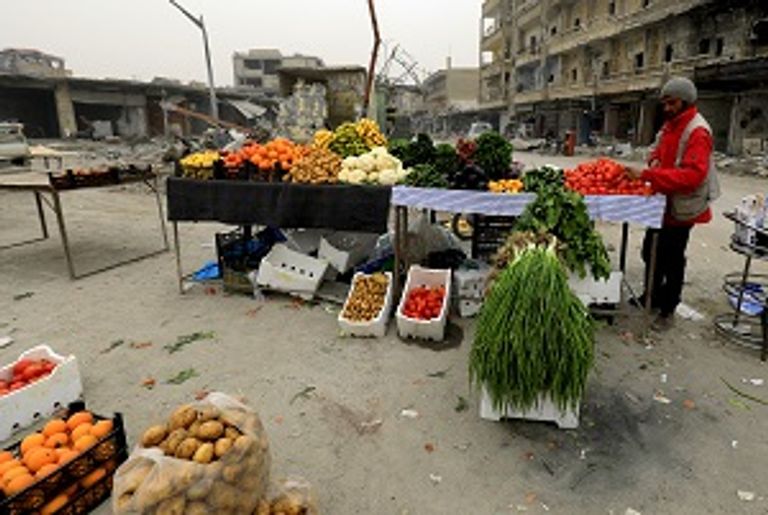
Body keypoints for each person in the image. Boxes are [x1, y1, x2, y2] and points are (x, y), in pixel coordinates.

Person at [626, 77, 720, 328]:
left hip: (682, 205)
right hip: (661, 201)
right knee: (650, 250)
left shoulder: (697, 132)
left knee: (672, 257)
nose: (666, 108)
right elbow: (656, 148)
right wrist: (654, 160)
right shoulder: (670, 124)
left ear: (686, 101)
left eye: (672, 102)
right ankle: (651, 296)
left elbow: (692, 176)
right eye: (664, 103)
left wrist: (649, 174)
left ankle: (668, 309)